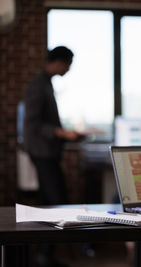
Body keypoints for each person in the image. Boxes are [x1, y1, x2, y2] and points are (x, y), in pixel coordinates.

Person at [24, 46, 81, 206]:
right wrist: (63, 133)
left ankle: (42, 231)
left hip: (47, 150)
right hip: (42, 151)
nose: (69, 69)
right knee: (58, 198)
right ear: (58, 62)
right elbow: (34, 122)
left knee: (47, 199)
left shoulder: (46, 83)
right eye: (68, 64)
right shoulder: (38, 85)